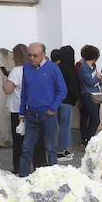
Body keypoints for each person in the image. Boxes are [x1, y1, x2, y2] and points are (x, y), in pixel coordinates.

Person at [19, 42, 65, 176]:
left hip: (47, 113)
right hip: (31, 113)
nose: (32, 58)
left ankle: (53, 178)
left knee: (50, 147)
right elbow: (24, 91)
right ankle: (23, 177)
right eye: (29, 55)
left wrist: (53, 107)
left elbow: (62, 90)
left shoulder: (53, 68)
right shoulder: (26, 67)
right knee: (26, 148)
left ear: (43, 55)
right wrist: (22, 111)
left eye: (35, 55)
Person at [1, 43, 30, 173]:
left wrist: (5, 79)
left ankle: (19, 168)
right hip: (32, 108)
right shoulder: (34, 68)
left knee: (19, 141)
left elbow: (8, 89)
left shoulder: (17, 70)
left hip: (18, 109)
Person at [51, 45, 80, 161]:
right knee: (65, 127)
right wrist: (75, 99)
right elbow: (73, 87)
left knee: (57, 127)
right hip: (67, 101)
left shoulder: (57, 68)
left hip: (56, 101)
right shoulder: (70, 68)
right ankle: (61, 151)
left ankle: (61, 149)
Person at [77, 44, 102, 145]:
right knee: (95, 120)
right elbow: (90, 82)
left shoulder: (92, 67)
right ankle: (88, 140)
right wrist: (98, 78)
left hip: (95, 94)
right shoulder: (84, 67)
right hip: (87, 95)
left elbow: (100, 81)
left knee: (93, 119)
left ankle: (88, 140)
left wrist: (99, 79)